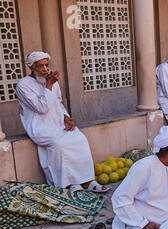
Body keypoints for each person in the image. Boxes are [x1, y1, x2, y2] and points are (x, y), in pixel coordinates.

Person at [15, 51, 108, 193]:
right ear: (31, 67)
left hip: (58, 123)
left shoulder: (50, 79)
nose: (46, 69)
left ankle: (86, 181)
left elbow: (58, 103)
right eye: (41, 66)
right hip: (40, 127)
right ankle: (68, 184)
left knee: (80, 139)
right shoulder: (23, 85)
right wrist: (49, 85)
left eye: (47, 65)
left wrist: (66, 118)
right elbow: (42, 108)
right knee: (60, 145)